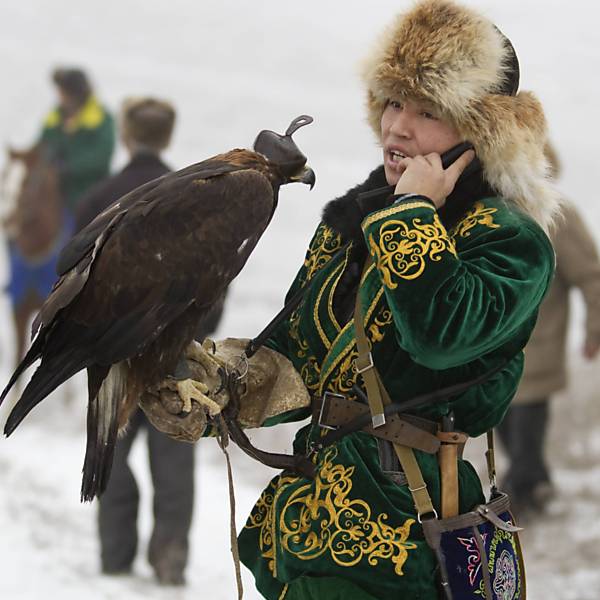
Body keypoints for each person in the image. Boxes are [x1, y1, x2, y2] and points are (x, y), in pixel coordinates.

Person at [141, 0, 559, 597]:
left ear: (481, 128)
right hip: (309, 524)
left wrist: (413, 214)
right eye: (392, 102)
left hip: (406, 535)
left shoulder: (509, 240)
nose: (398, 127)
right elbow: (300, 355)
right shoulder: (354, 222)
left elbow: (440, 337)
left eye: (429, 110)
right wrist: (220, 389)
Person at [76, 97, 222, 586]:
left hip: (112, 354)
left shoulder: (100, 198)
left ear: (125, 134)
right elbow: (218, 278)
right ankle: (170, 554)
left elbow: (73, 288)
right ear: (169, 134)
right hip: (176, 351)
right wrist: (196, 336)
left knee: (110, 452)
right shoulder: (198, 196)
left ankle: (117, 556)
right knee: (173, 453)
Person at [498, 146, 600, 518]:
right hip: (496, 350)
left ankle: (518, 498)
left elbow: (592, 277)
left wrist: (594, 331)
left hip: (539, 348)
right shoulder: (491, 212)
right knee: (504, 426)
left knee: (525, 431)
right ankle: (537, 484)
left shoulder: (559, 214)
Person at [4, 67, 114, 368]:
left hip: (81, 195)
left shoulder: (100, 121)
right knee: (16, 226)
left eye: (64, 92)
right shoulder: (56, 115)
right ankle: (16, 279)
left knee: (83, 236)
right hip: (50, 191)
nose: (60, 97)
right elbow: (42, 143)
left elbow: (100, 158)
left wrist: (68, 167)